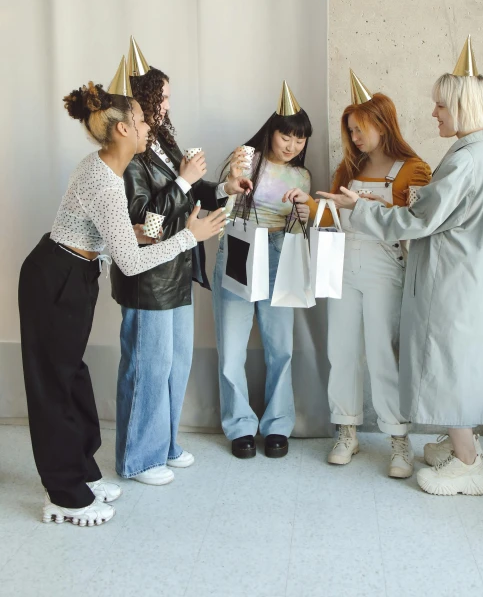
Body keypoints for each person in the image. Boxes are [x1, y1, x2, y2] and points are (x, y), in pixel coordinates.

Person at [18, 60, 226, 526]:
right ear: (121, 130)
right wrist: (189, 237)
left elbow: (110, 236)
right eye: (141, 119)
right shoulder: (105, 179)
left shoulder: (108, 170)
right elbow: (131, 261)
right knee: (53, 386)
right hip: (56, 277)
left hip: (75, 275)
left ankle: (83, 473)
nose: (150, 123)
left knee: (73, 379)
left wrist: (133, 231)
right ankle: (65, 495)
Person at [318, 37, 483, 495]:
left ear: (462, 107)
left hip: (454, 281)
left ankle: (467, 463)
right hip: (464, 277)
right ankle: (456, 445)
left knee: (447, 364)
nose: (435, 115)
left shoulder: (465, 162)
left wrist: (360, 208)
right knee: (362, 353)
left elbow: (417, 218)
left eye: (441, 107)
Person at [111, 37, 252, 486]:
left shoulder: (161, 142)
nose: (168, 104)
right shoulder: (129, 154)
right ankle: (139, 458)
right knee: (146, 370)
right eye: (163, 97)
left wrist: (224, 188)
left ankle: (165, 445)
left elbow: (190, 190)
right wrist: (182, 178)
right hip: (148, 274)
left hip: (178, 268)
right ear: (140, 102)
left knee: (175, 365)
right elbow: (141, 221)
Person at [284, 70, 430, 478]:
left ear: (383, 124)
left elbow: (416, 221)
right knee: (342, 349)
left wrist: (366, 205)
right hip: (344, 263)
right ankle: (346, 429)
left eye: (360, 128)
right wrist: (306, 205)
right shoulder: (349, 167)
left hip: (387, 267)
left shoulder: (413, 169)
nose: (355, 137)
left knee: (384, 352)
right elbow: (330, 211)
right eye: (350, 130)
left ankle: (398, 438)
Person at [212, 81, 312, 459]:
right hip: (239, 248)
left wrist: (304, 210)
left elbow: (300, 221)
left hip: (280, 253)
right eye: (286, 135)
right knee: (232, 346)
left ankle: (277, 425)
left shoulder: (302, 177)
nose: (291, 145)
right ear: (272, 132)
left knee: (280, 346)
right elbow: (221, 200)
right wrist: (231, 182)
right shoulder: (246, 158)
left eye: (299, 139)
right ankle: (239, 426)